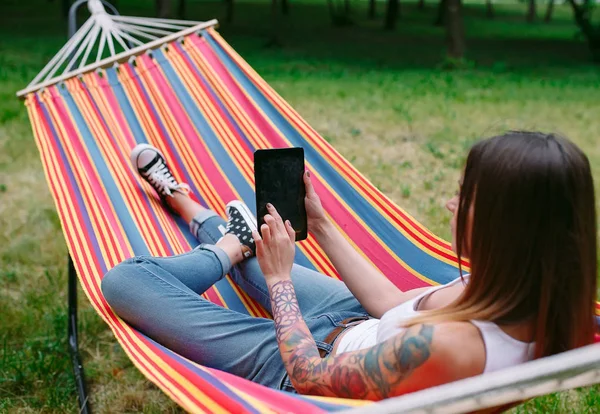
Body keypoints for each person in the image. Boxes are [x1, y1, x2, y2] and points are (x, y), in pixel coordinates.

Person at [102, 131, 597, 401]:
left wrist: (279, 281)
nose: (450, 205)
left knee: (126, 280)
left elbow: (308, 377)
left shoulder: (449, 347)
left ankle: (230, 244)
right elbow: (388, 304)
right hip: (363, 320)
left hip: (303, 358)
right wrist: (321, 224)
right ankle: (189, 205)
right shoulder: (530, 290)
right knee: (269, 240)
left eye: (464, 197)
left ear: (503, 224)